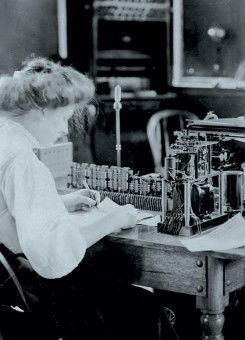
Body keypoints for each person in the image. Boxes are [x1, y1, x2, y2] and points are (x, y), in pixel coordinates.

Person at [0, 57, 176, 339]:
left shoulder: (5, 141)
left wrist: (60, 203)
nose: (64, 131)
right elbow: (52, 255)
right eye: (64, 118)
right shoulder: (23, 161)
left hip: (13, 289)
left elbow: (8, 214)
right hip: (42, 297)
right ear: (41, 110)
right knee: (146, 308)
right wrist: (114, 218)